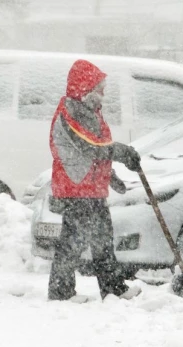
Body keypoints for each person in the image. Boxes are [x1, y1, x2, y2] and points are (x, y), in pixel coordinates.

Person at [48, 59, 142, 301]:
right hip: (76, 187)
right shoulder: (69, 114)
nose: (103, 93)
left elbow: (94, 152)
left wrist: (109, 176)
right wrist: (122, 152)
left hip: (91, 189)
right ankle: (60, 292)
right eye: (99, 88)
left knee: (103, 241)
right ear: (85, 89)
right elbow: (91, 146)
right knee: (73, 243)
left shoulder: (90, 113)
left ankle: (113, 288)